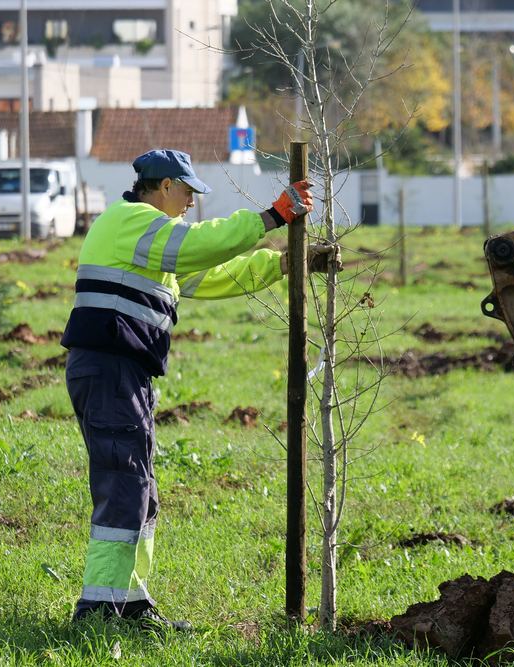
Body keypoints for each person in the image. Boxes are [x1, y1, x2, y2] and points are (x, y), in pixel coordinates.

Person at [61, 149, 339, 631]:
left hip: (126, 373)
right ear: (164, 186)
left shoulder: (151, 243)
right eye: (188, 190)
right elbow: (198, 247)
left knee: (141, 492)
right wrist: (272, 217)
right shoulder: (132, 222)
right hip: (109, 370)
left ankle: (128, 602)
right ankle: (102, 611)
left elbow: (210, 275)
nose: (192, 200)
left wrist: (284, 264)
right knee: (124, 486)